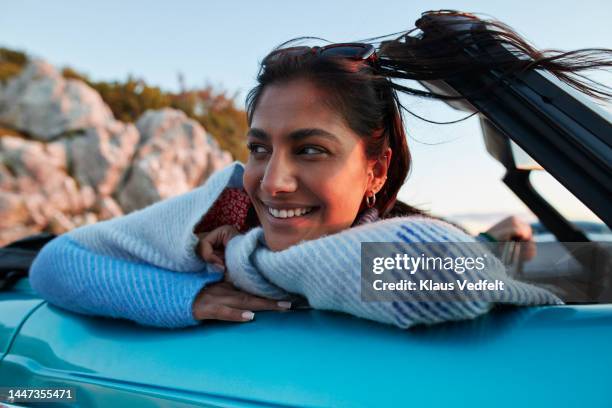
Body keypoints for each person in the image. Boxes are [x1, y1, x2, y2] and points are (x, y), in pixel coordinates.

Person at [29, 11, 610, 328]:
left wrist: (493, 247)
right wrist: (188, 297)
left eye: (310, 150)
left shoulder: (370, 243)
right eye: (261, 148)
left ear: (376, 169)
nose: (273, 181)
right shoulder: (223, 212)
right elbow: (55, 264)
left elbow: (439, 267)